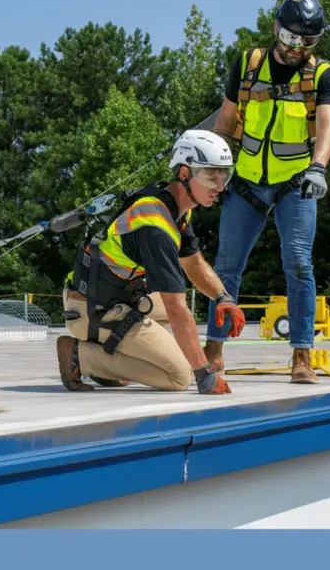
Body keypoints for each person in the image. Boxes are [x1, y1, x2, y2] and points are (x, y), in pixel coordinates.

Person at [205, 0, 330, 384]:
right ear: (276, 29)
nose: (298, 47)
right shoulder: (249, 65)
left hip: (295, 183)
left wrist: (319, 167)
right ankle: (214, 350)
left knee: (299, 264)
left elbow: (328, 126)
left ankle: (302, 354)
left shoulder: (322, 76)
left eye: (308, 41)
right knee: (227, 266)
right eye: (292, 38)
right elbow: (227, 121)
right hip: (245, 183)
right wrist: (216, 172)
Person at [56, 130, 246, 396]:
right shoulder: (155, 225)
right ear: (184, 173)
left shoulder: (174, 206)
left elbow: (193, 263)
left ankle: (111, 361)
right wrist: (204, 374)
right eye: (210, 176)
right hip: (92, 310)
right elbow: (176, 308)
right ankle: (81, 356)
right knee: (179, 375)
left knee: (178, 328)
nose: (220, 185)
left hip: (110, 299)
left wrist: (222, 297)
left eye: (224, 175)